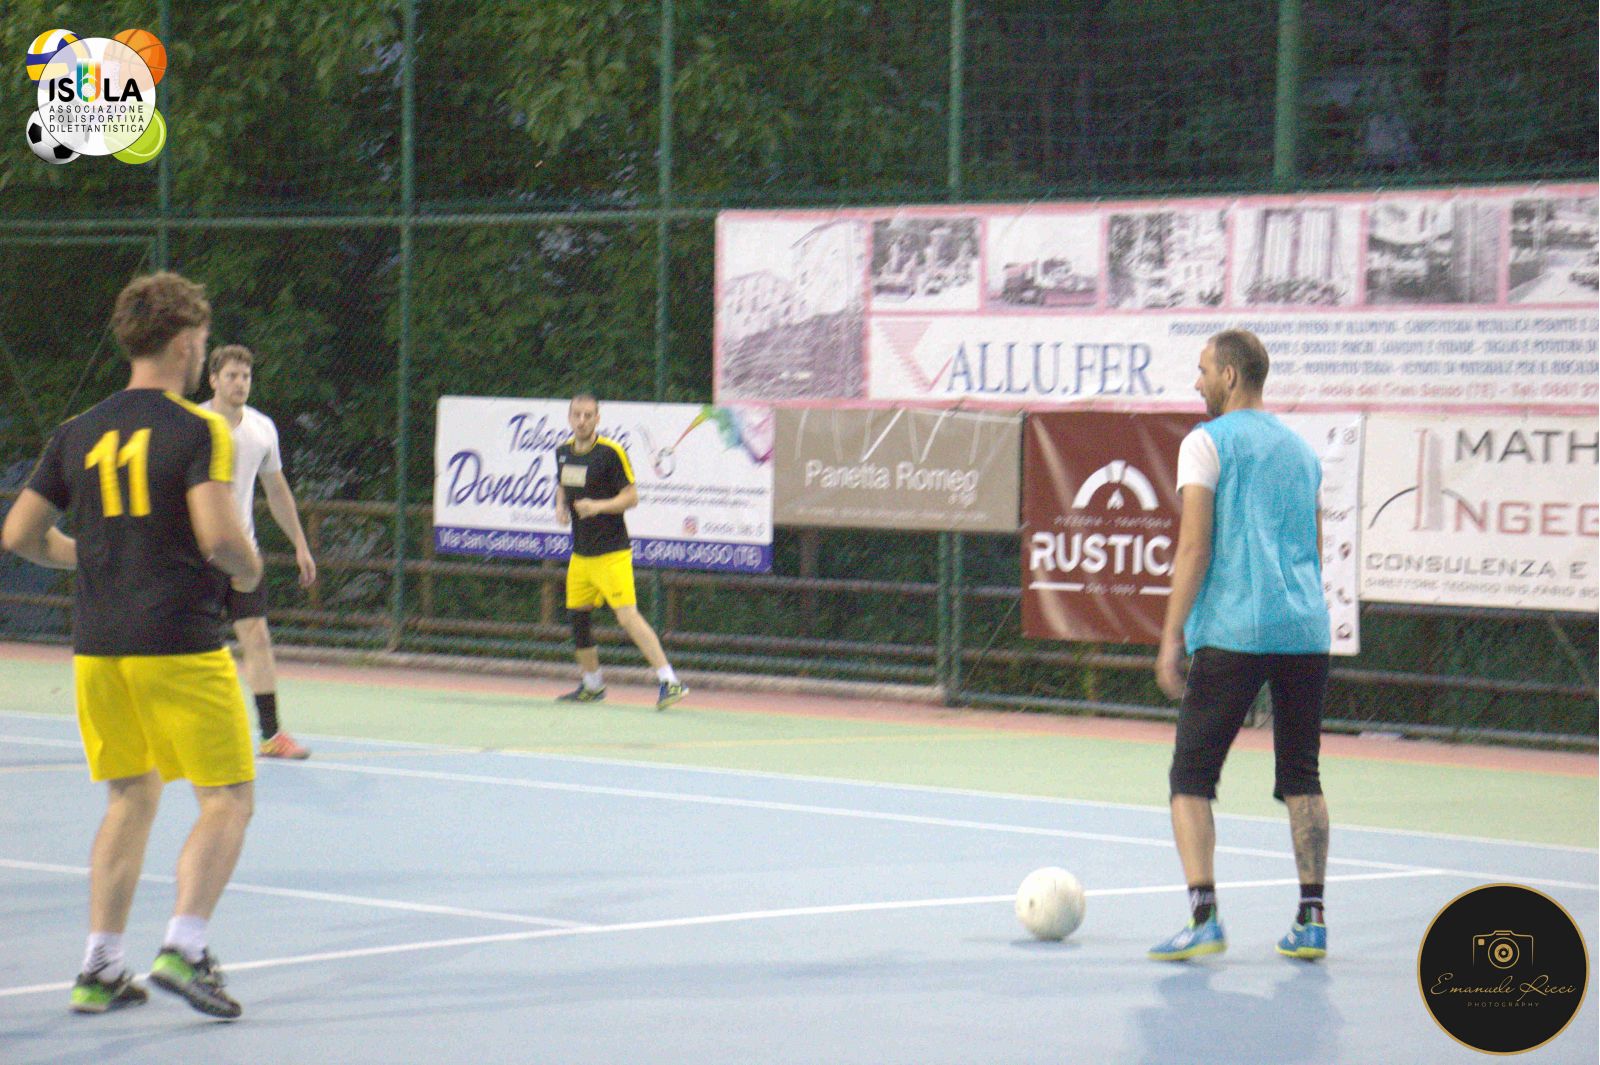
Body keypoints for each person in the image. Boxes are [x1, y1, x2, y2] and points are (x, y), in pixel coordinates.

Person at [2, 272, 262, 1018]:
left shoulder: (78, 429)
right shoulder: (199, 429)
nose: (203, 354)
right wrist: (250, 567)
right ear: (184, 344)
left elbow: (19, 534)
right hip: (177, 640)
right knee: (228, 798)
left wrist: (86, 554)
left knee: (131, 794)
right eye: (202, 342)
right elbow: (219, 538)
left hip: (98, 646)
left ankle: (100, 967)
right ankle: (184, 947)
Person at [1148, 329, 1331, 964]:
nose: (1196, 382)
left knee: (1190, 777)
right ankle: (1312, 920)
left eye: (1202, 370)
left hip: (1234, 631)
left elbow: (1194, 546)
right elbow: (1312, 544)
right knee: (1302, 775)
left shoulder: (1206, 443)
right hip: (1305, 630)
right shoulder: (1302, 451)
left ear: (1229, 375)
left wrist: (1170, 635)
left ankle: (1204, 919)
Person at [203, 344, 317, 759]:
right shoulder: (194, 425)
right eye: (231, 376)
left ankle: (271, 735)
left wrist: (300, 543)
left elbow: (276, 489)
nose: (240, 383)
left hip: (243, 557)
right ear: (213, 380)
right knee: (190, 647)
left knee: (257, 636)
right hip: (197, 556)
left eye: (246, 376)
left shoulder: (262, 429)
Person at [553, 393, 687, 710]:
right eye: (577, 415)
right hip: (580, 555)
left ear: (597, 419)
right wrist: (560, 505)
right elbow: (563, 484)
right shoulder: (562, 453)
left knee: (627, 617)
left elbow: (631, 497)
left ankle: (670, 681)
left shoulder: (610, 454)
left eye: (588, 415)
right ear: (569, 417)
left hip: (612, 553)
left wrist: (597, 506)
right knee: (578, 618)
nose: (582, 421)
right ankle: (592, 685)